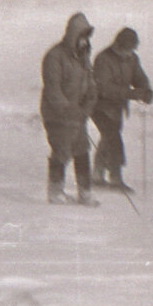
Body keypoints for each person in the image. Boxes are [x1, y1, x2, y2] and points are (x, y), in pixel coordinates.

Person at [41, 12, 100, 206]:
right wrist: (68, 109)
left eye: (87, 37)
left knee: (82, 150)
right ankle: (55, 192)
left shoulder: (84, 58)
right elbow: (53, 90)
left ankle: (85, 193)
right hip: (57, 115)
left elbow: (91, 85)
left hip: (78, 115)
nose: (85, 41)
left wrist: (88, 106)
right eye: (81, 36)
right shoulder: (54, 56)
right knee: (62, 151)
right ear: (73, 35)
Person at [90, 27, 153, 192]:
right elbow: (103, 88)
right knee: (113, 138)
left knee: (108, 138)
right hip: (99, 106)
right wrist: (131, 94)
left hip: (117, 107)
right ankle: (115, 179)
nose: (130, 52)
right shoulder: (103, 58)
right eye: (127, 48)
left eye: (132, 48)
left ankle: (97, 175)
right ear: (119, 45)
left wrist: (146, 90)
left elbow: (139, 78)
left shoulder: (132, 58)